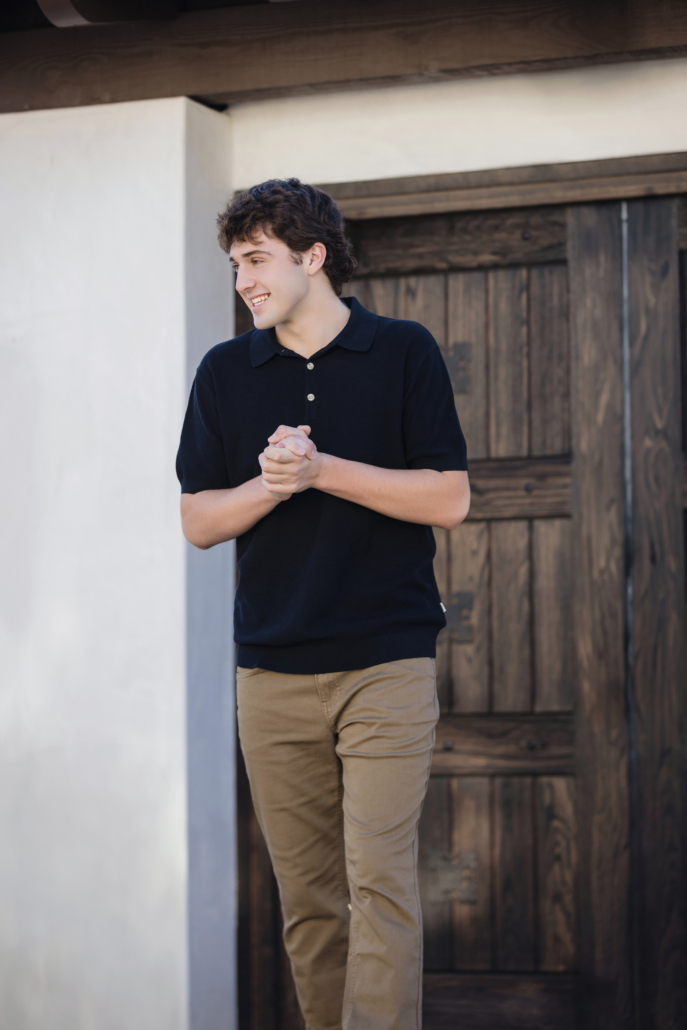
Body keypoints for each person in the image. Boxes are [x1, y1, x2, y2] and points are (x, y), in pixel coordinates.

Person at [176, 178, 470, 1030]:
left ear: (313, 257)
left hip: (386, 661)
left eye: (258, 260)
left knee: (380, 887)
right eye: (235, 265)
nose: (245, 282)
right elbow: (199, 521)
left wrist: (322, 469)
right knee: (309, 903)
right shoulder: (226, 371)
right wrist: (271, 487)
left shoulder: (402, 350)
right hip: (270, 671)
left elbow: (448, 497)